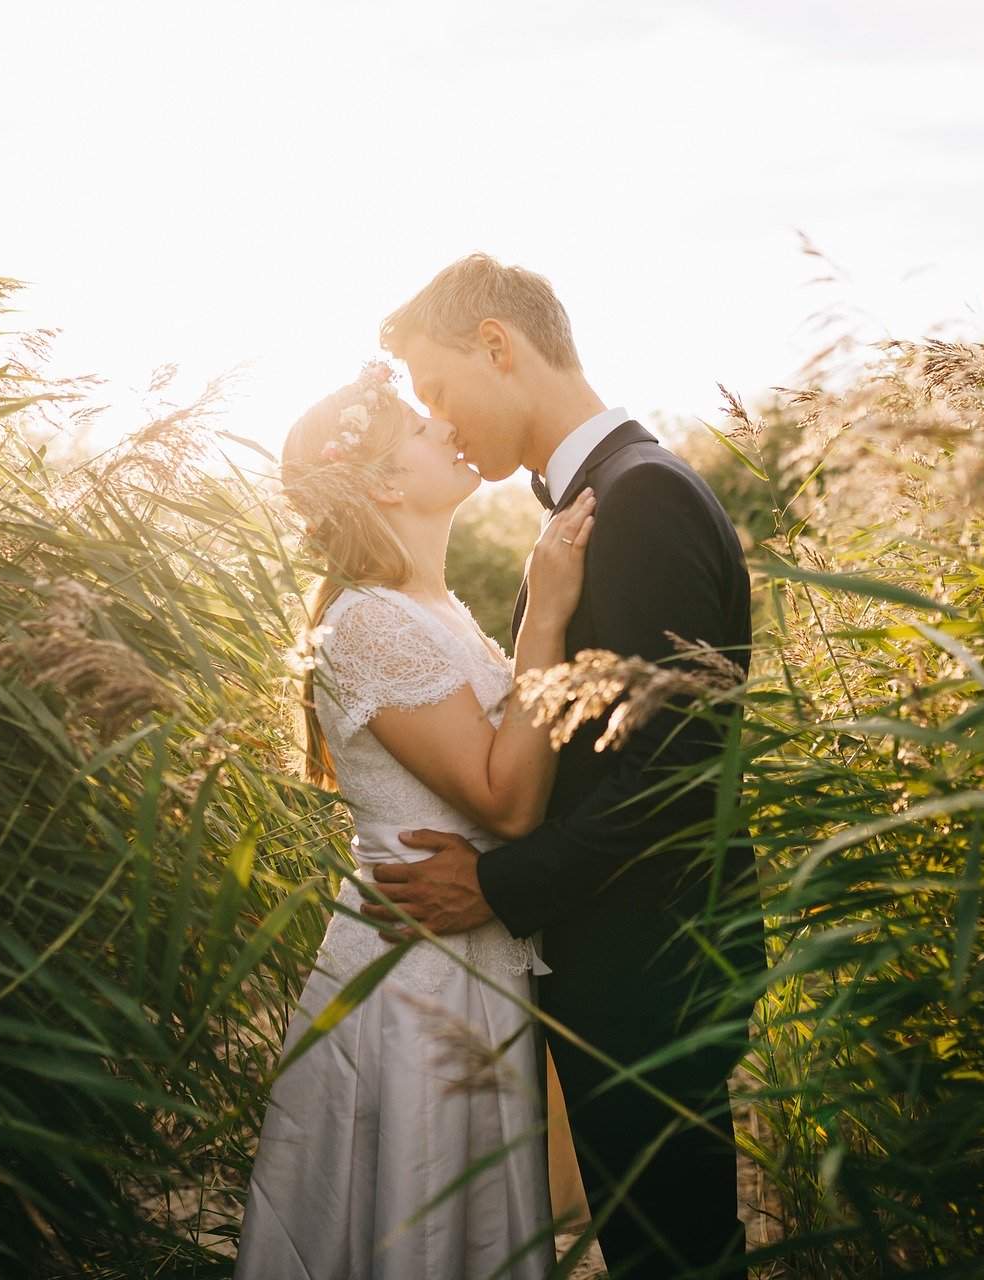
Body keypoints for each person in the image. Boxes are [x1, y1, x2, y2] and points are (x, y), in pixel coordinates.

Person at [363, 254, 761, 1278]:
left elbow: (672, 777)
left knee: (676, 1259)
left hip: (647, 973)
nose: (441, 420)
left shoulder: (641, 502)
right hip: (622, 965)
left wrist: (494, 884)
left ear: (500, 346)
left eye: (440, 388)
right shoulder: (604, 497)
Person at [234, 358, 596, 1279]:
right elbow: (509, 801)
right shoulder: (365, 623)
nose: (447, 424)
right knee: (418, 1218)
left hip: (468, 954)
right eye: (423, 425)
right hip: (414, 978)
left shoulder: (432, 609)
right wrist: (543, 623)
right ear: (388, 481)